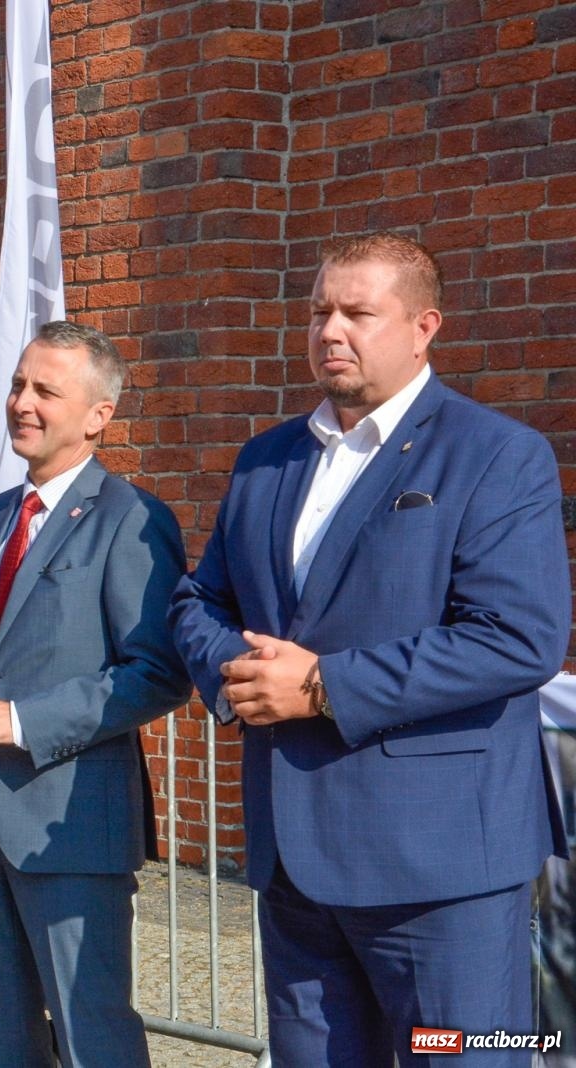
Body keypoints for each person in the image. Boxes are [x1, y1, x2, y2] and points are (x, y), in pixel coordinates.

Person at [168, 232, 571, 1066]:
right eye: (319, 312)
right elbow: (200, 597)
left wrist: (321, 686)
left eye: (358, 312)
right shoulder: (266, 460)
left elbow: (519, 638)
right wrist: (231, 675)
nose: (330, 331)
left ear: (425, 327)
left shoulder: (497, 455)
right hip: (294, 867)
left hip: (439, 869)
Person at [0, 322, 190, 1067]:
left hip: (72, 828)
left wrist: (21, 720)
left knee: (90, 1036)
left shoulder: (131, 519)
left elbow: (161, 670)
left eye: (45, 390)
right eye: (17, 385)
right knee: (0, 1037)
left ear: (99, 414)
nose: (21, 403)